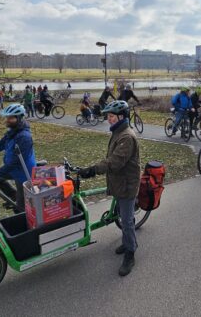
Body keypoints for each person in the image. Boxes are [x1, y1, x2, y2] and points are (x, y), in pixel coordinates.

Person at [78, 101, 141, 277]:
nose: (108, 119)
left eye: (111, 116)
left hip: (127, 184)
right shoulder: (118, 132)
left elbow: (115, 162)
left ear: (121, 117)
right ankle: (130, 242)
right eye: (108, 116)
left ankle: (130, 254)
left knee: (127, 221)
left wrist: (93, 170)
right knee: (122, 215)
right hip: (119, 181)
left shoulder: (126, 137)